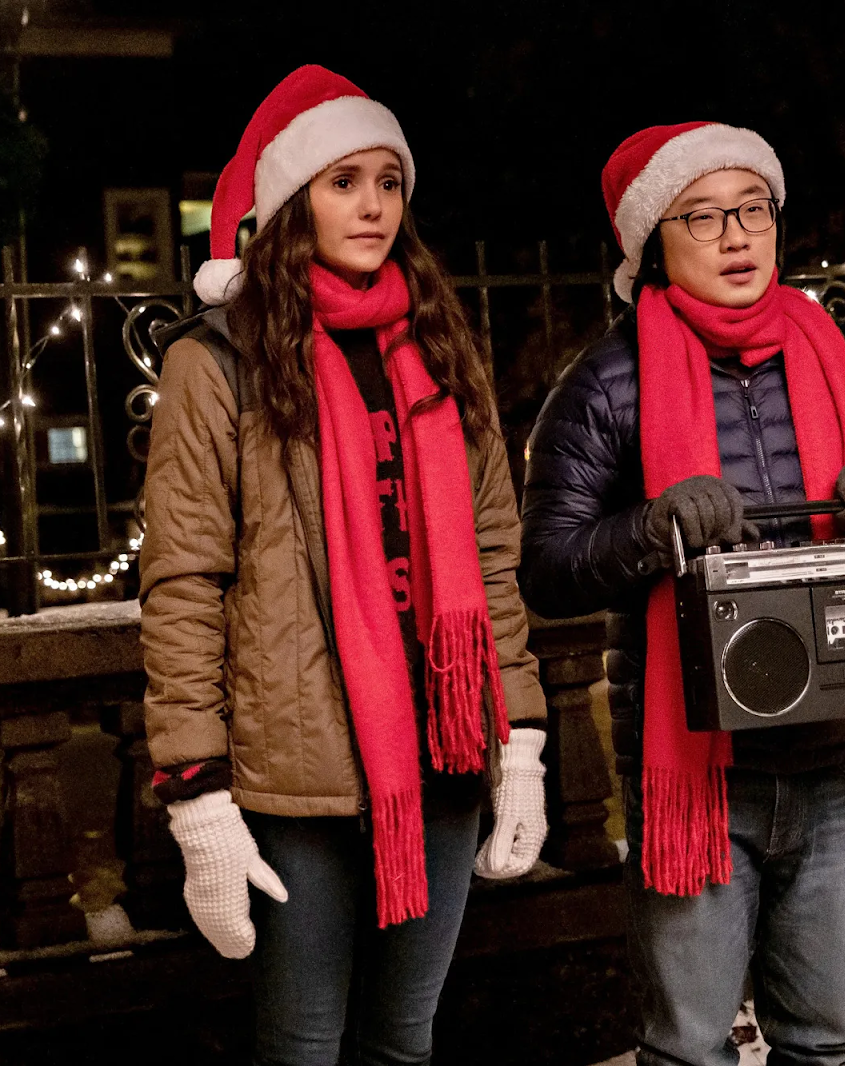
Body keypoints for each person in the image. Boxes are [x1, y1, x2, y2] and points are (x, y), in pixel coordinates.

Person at [139, 65, 548, 1066]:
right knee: (303, 1046)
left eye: (388, 181)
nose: (371, 205)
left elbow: (493, 551)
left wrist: (522, 739)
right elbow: (184, 580)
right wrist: (197, 793)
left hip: (443, 753)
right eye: (342, 181)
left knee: (404, 1038)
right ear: (290, 201)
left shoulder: (442, 344)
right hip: (296, 775)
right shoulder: (219, 361)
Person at [519, 122, 845, 1066]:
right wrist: (654, 527)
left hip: (830, 760)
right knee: (691, 1048)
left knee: (824, 1039)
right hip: (693, 774)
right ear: (654, 241)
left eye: (752, 210)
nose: (736, 236)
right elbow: (548, 565)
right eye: (703, 217)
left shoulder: (832, 352)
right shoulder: (607, 384)